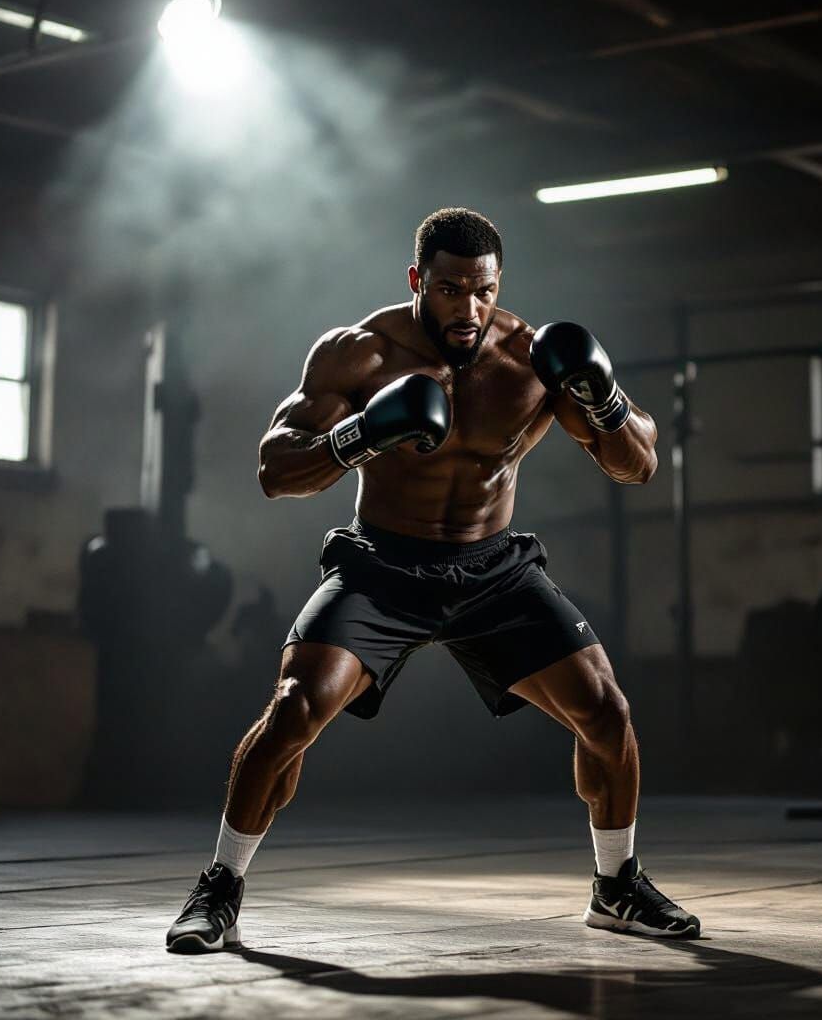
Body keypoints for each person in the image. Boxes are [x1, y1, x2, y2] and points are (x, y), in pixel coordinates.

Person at [166, 207, 700, 952]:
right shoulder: (360, 353)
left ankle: (616, 887)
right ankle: (218, 888)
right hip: (384, 564)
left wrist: (602, 398)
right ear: (419, 280)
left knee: (607, 713)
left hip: (493, 570)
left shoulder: (534, 358)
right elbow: (273, 471)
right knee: (292, 711)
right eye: (450, 290)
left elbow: (637, 465)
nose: (469, 309)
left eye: (483, 290)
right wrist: (359, 436)